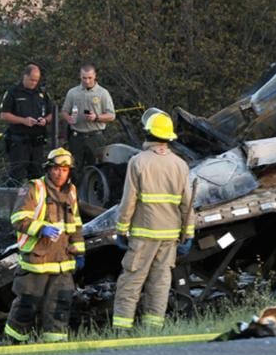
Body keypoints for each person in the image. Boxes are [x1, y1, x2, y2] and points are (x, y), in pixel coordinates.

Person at [112, 110, 195, 331]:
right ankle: (152, 331)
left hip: (143, 234)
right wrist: (188, 235)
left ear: (148, 133)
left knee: (131, 282)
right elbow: (187, 204)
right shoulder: (180, 164)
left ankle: (121, 330)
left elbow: (128, 200)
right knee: (160, 284)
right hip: (169, 236)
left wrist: (121, 229)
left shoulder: (138, 162)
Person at [5, 147, 85, 343]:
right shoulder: (34, 188)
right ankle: (14, 342)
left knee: (60, 305)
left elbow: (75, 223)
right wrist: (41, 229)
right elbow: (18, 218)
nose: (60, 173)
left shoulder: (71, 191)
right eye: (57, 169)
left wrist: (80, 251)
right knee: (27, 304)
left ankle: (55, 345)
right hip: (36, 260)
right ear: (49, 169)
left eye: (65, 170)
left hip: (63, 261)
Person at [0, 63, 54, 186]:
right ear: (25, 76)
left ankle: (35, 203)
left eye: (36, 80)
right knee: (17, 175)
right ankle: (14, 203)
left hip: (37, 141)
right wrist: (23, 120)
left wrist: (45, 120)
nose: (34, 83)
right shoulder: (13, 92)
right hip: (18, 141)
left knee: (37, 176)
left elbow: (52, 114)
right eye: (31, 80)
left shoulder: (42, 93)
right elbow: (4, 115)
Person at [60, 64, 115, 183]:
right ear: (80, 76)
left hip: (95, 136)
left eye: (90, 78)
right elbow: (64, 111)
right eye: (84, 78)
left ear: (95, 76)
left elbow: (111, 115)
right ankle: (73, 196)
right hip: (77, 136)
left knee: (97, 169)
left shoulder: (103, 93)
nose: (87, 81)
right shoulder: (73, 92)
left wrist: (96, 117)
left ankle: (95, 197)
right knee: (74, 169)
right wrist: (68, 118)